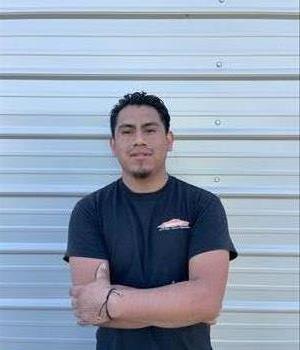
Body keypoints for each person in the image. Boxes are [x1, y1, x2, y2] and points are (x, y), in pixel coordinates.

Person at [64, 91, 238, 350]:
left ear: (169, 140)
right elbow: (91, 308)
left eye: (150, 130)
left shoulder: (202, 205)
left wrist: (111, 301)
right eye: (127, 131)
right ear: (113, 144)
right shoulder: (90, 211)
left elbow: (207, 303)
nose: (139, 140)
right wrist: (180, 305)